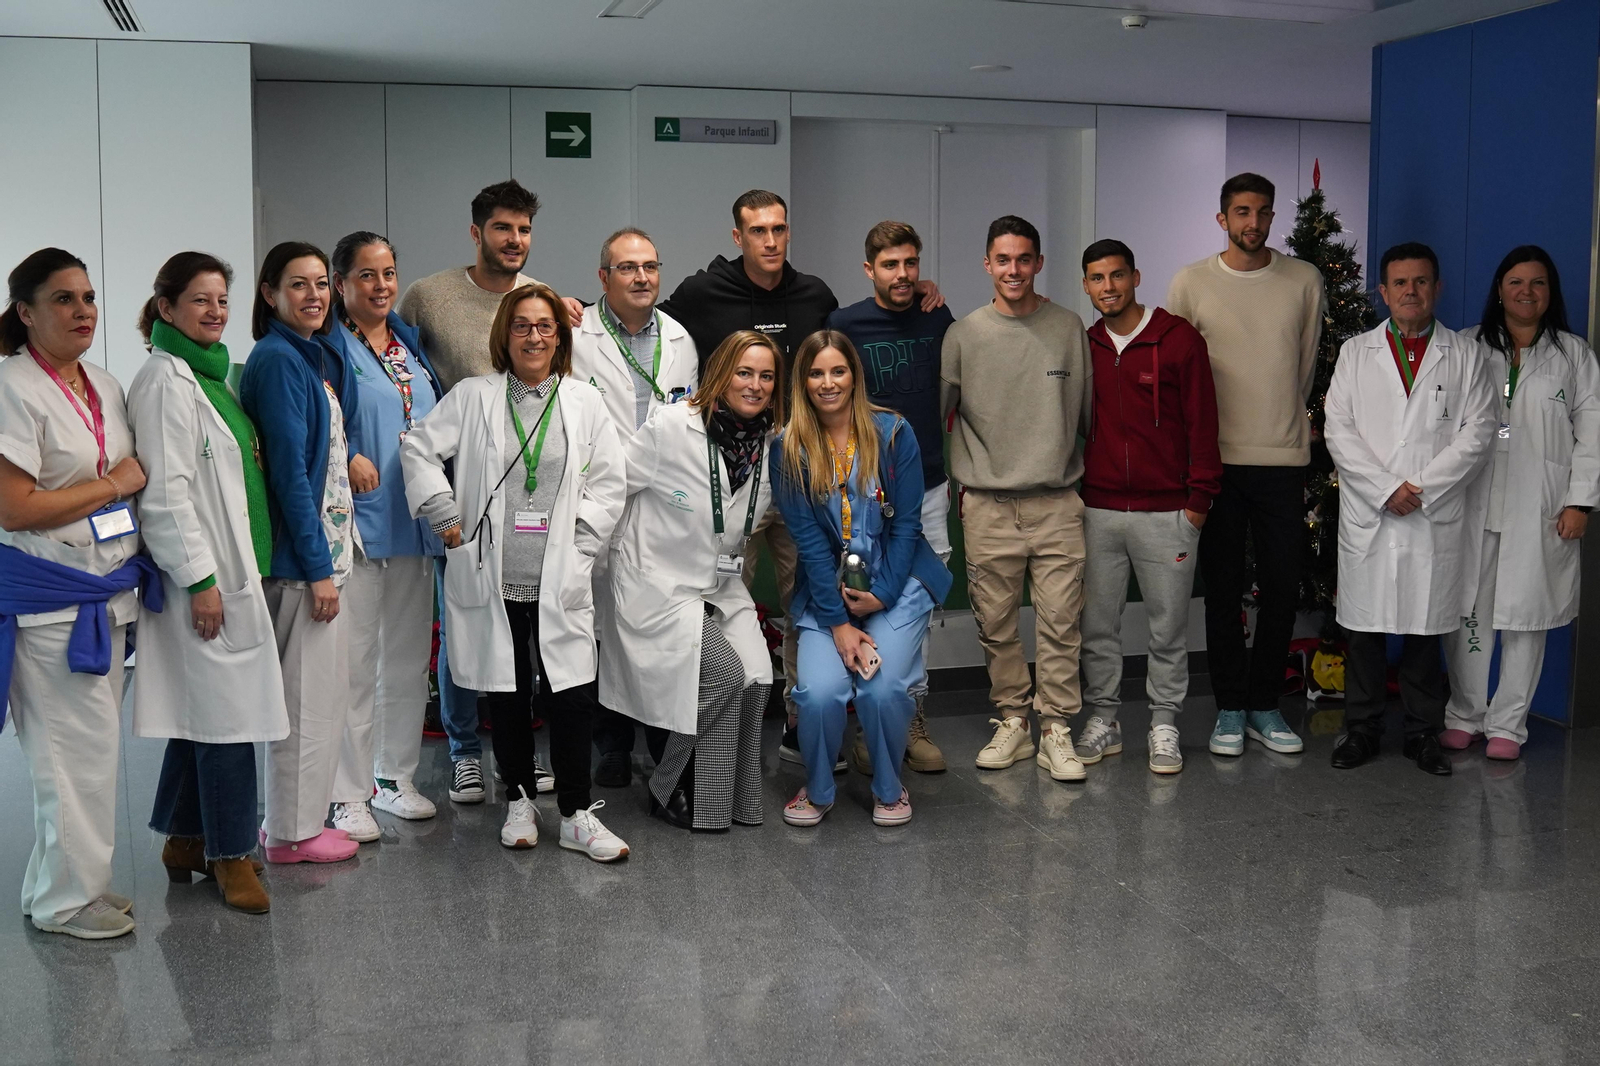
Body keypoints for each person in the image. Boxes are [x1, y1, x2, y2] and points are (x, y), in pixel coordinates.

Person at [401, 282, 629, 860]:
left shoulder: (584, 401)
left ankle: (576, 812)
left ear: (560, 336)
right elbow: (418, 447)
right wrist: (444, 514)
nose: (534, 336)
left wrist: (581, 544)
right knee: (505, 690)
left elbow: (609, 481)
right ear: (505, 334)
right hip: (491, 568)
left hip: (561, 573)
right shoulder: (475, 395)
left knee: (571, 691)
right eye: (522, 326)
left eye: (545, 326)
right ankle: (520, 799)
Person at [399, 179, 578, 804]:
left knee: (526, 633)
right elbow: (396, 364)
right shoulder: (429, 296)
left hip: (530, 487)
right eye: (503, 228)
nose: (515, 240)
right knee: (463, 624)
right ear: (477, 232)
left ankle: (516, 761)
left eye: (524, 229)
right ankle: (463, 751)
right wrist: (438, 500)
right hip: (462, 486)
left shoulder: (542, 298)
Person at [0, 248, 154, 939]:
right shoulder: (12, 386)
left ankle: (53, 888)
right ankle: (70, 902)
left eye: (88, 297)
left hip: (105, 592)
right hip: (51, 601)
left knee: (87, 755)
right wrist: (116, 484)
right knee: (71, 760)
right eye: (63, 299)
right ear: (26, 313)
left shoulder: (103, 383)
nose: (83, 310)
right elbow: (17, 508)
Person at [128, 251, 284, 914]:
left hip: (228, 571)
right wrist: (202, 580)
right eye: (200, 300)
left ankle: (185, 840)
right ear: (166, 308)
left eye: (222, 299)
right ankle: (231, 855)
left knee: (207, 713)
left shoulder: (208, 376)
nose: (216, 311)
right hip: (206, 579)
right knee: (228, 717)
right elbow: (165, 497)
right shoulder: (167, 381)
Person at [1167, 173, 1326, 760]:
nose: (1251, 222)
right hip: (1215, 464)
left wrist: (1282, 424)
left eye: (1261, 212)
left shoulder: (1304, 280)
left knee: (1284, 587)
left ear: (1272, 216)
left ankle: (1265, 706)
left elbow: (1302, 368)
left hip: (1282, 461)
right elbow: (1180, 372)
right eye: (1240, 212)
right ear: (1222, 219)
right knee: (1223, 591)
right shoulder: (1190, 283)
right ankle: (1230, 707)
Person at [1324, 242, 1495, 776]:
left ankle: (1423, 734)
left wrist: (1417, 487)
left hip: (1429, 512)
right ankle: (1362, 729)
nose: (1410, 292)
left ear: (1436, 288)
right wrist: (1385, 489)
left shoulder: (1464, 355)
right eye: (1400, 283)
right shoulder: (1357, 352)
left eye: (1420, 281)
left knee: (1425, 632)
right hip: (1372, 513)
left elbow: (1481, 432)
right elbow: (1338, 429)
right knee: (1365, 629)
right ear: (1383, 291)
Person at [598, 330, 778, 830]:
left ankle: (724, 803)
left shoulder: (770, 443)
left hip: (718, 581)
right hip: (656, 581)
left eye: (766, 376)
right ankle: (666, 785)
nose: (755, 385)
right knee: (723, 676)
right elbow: (615, 488)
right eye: (744, 372)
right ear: (721, 374)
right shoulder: (672, 427)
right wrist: (590, 560)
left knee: (758, 678)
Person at [775, 331, 951, 827]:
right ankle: (820, 788)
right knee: (819, 693)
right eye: (815, 373)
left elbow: (907, 525)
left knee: (883, 689)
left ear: (855, 374)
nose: (828, 383)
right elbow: (808, 544)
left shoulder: (894, 433)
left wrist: (882, 596)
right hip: (827, 593)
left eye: (838, 371)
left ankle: (889, 787)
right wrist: (838, 622)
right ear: (802, 382)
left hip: (898, 584)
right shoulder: (788, 449)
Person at [942, 216, 1094, 783]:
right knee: (996, 623)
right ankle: (1013, 720)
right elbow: (943, 414)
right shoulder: (964, 335)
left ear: (1038, 264)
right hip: (986, 503)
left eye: (1024, 259)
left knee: (1060, 621)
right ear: (987, 264)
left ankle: (1055, 727)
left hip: (1056, 502)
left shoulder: (1066, 328)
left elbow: (1085, 415)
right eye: (1003, 260)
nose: (1014, 270)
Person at [1443, 246, 1600, 760]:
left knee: (1526, 618)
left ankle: (1509, 726)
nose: (1526, 292)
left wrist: (1581, 502)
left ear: (1549, 292)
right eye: (1515, 282)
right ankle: (1465, 714)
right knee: (1469, 613)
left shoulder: (1573, 355)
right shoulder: (1468, 346)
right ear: (1499, 289)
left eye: (1537, 283)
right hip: (1474, 504)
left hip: (1543, 507)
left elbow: (1592, 435)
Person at [1075, 239, 1221, 775]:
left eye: (1117, 276)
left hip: (1170, 514)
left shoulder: (1179, 340)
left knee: (1167, 628)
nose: (1108, 287)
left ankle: (1164, 724)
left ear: (1136, 277)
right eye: (1096, 278)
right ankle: (1104, 719)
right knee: (1098, 625)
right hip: (1099, 510)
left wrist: (1198, 501)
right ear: (1086, 284)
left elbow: (1205, 423)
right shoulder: (1082, 343)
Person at [238, 241, 364, 863]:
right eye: (297, 285)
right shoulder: (280, 360)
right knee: (305, 704)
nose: (313, 296)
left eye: (320, 284)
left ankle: (298, 821)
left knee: (320, 700)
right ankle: (290, 833)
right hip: (300, 567)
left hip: (321, 558)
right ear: (269, 294)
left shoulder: (304, 356)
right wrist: (317, 571)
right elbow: (288, 475)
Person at [571, 226, 698, 788]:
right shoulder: (576, 337)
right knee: (602, 625)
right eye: (627, 267)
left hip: (659, 506)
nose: (642, 276)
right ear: (604, 278)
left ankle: (657, 739)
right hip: (597, 496)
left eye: (650, 265)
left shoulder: (680, 339)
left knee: (655, 624)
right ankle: (612, 744)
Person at [328, 231, 448, 824]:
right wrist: (346, 451)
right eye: (367, 276)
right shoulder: (327, 346)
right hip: (359, 525)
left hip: (415, 522)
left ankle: (393, 777)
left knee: (405, 661)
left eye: (389, 273)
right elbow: (315, 420)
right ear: (340, 284)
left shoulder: (409, 342)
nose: (381, 286)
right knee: (353, 662)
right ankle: (346, 792)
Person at [827, 220, 954, 776]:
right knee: (862, 601)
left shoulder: (937, 315)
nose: (902, 275)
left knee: (913, 610)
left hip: (927, 487)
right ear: (869, 269)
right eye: (890, 265)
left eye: (910, 264)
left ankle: (908, 717)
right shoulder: (845, 324)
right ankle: (864, 722)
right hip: (863, 493)